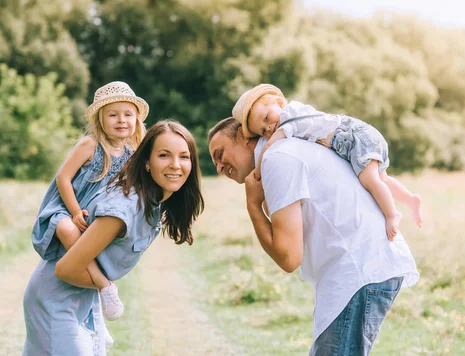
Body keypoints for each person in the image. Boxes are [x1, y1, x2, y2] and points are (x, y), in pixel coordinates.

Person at [208, 117, 419, 355]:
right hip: (355, 271)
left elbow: (289, 258)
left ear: (243, 137)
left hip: (359, 270)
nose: (218, 167)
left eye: (219, 154)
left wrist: (253, 206)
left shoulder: (277, 159)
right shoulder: (282, 154)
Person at [23, 120, 204, 356]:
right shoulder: (125, 209)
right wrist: (107, 286)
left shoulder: (154, 203)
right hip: (55, 301)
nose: (175, 165)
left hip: (84, 302)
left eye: (184, 156)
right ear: (147, 162)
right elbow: (65, 269)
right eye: (164, 155)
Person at [232, 83, 423, 241]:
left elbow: (269, 147)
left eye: (266, 118)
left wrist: (257, 171)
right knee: (382, 179)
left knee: (370, 180)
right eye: (263, 130)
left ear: (280, 102)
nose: (269, 128)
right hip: (352, 140)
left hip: (353, 137)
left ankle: (392, 214)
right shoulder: (285, 121)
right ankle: (410, 199)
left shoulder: (290, 115)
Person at [32, 81, 148, 322]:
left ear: (137, 119)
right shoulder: (91, 145)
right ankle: (105, 286)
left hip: (98, 215)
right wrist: (74, 211)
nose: (121, 120)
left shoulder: (132, 154)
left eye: (128, 114)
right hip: (67, 208)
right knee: (66, 229)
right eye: (113, 115)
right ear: (100, 119)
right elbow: (63, 178)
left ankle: (96, 310)